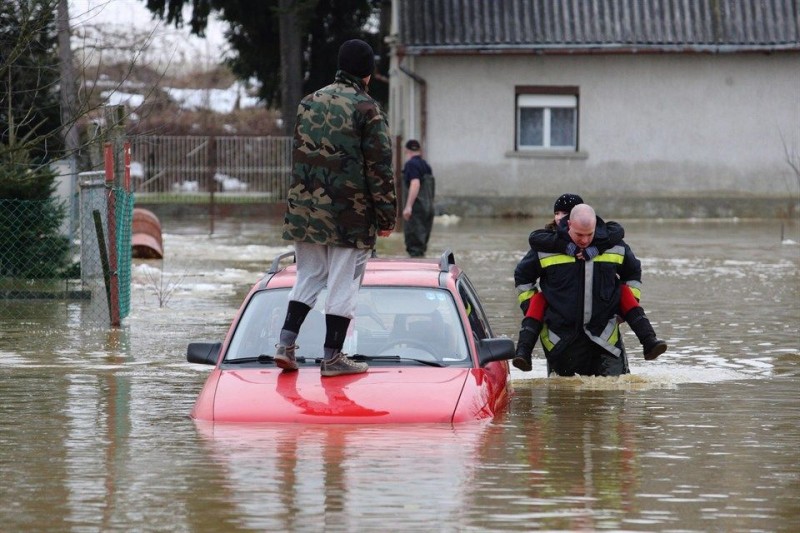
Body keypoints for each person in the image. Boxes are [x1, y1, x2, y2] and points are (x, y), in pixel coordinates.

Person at [275, 39, 397, 377]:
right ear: (368, 73)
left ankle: (285, 345)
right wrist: (387, 217)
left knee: (309, 275)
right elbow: (380, 169)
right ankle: (333, 358)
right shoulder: (366, 109)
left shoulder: (307, 102)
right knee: (343, 283)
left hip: (305, 208)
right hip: (349, 214)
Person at [513, 194, 667, 372]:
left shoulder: (613, 244)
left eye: (589, 235)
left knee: (615, 394)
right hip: (561, 341)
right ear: (569, 224)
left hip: (605, 340)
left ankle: (649, 341)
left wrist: (624, 309)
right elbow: (523, 276)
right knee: (561, 396)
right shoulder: (545, 247)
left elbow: (632, 272)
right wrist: (532, 307)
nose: (584, 240)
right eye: (579, 235)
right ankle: (523, 351)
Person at [401, 139, 435, 257]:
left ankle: (415, 274)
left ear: (407, 151)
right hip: (428, 209)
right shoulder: (426, 165)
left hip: (416, 209)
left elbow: (415, 183)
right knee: (421, 246)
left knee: (414, 247)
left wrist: (408, 206)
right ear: (419, 151)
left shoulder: (411, 164)